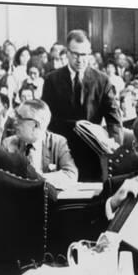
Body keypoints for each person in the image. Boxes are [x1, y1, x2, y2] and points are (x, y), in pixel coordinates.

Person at [41, 30, 123, 180]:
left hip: (92, 152)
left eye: (84, 55)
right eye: (75, 54)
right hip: (61, 151)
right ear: (66, 53)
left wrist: (115, 150)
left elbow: (114, 119)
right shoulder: (52, 80)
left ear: (90, 54)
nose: (80, 60)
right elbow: (45, 119)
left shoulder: (102, 81)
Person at [1, 99, 78, 188]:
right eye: (16, 116)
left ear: (36, 125)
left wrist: (36, 178)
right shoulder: (8, 144)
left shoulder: (58, 143)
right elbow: (2, 178)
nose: (15, 122)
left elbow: (70, 174)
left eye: (20, 118)